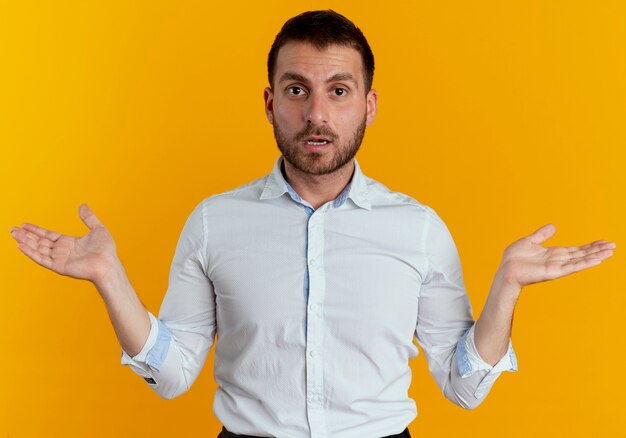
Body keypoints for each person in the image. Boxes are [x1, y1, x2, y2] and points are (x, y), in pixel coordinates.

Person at [10, 10, 615, 438]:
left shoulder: (419, 229)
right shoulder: (214, 223)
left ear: (369, 105)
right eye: (297, 90)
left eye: (339, 90)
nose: (317, 114)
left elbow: (463, 387)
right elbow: (172, 378)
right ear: (271, 102)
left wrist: (505, 288)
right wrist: (110, 279)